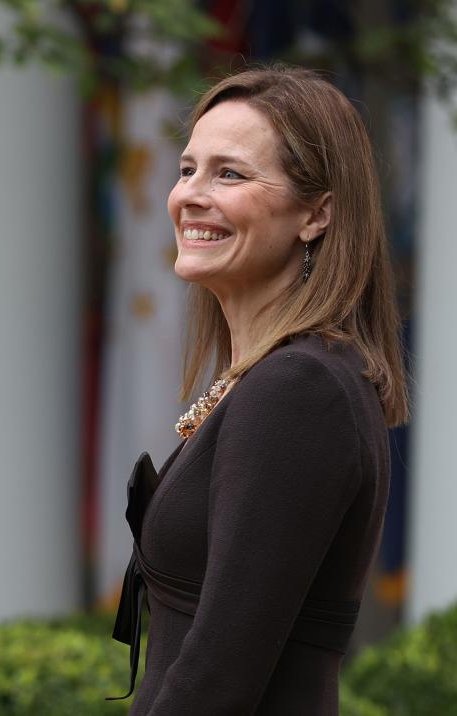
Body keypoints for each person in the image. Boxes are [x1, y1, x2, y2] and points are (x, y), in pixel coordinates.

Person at [110, 66, 409, 715]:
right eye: (187, 169)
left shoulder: (300, 389)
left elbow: (219, 673)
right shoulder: (274, 378)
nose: (190, 194)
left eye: (230, 174)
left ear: (317, 212)